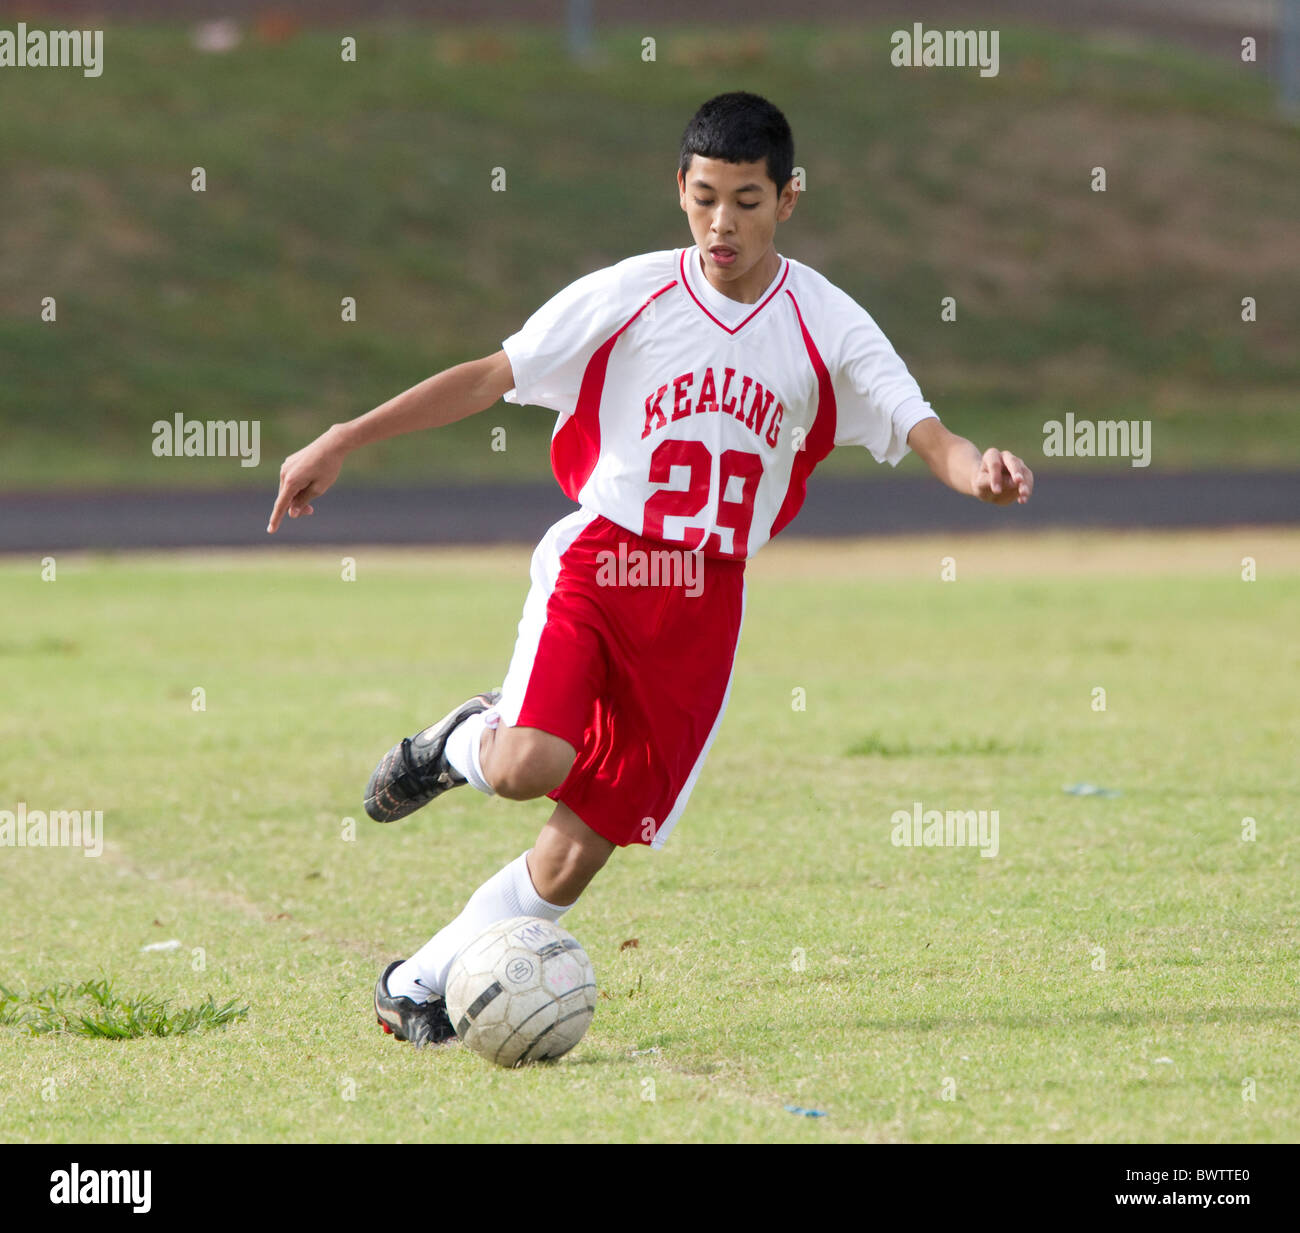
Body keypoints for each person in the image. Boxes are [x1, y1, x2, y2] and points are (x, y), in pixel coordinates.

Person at [267, 91, 1034, 1048]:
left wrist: (980, 471)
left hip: (706, 605)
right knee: (525, 766)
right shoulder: (631, 290)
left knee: (575, 859)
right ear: (680, 189)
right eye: (706, 196)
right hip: (605, 562)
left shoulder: (827, 321)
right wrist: (346, 435)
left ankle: (416, 982)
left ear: (789, 199)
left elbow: (924, 429)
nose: (724, 223)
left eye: (749, 201)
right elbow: (489, 375)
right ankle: (459, 742)